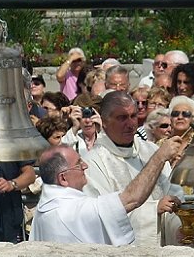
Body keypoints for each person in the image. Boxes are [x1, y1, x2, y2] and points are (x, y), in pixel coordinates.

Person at [30, 136, 182, 244]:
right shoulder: (71, 210)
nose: (85, 166)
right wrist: (160, 157)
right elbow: (132, 199)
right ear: (63, 178)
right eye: (78, 164)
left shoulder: (44, 207)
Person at [83, 91, 184, 245]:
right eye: (122, 118)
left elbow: (173, 195)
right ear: (104, 121)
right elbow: (101, 215)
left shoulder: (151, 150)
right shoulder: (93, 162)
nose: (130, 124)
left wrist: (179, 227)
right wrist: (153, 210)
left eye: (133, 116)